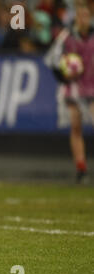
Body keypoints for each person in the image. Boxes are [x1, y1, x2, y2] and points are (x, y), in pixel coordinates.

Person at [62, 5, 94, 183]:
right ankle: (81, 167)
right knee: (76, 126)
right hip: (74, 88)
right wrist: (66, 72)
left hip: (92, 86)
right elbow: (57, 63)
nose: (84, 19)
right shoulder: (68, 37)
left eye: (86, 15)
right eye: (81, 16)